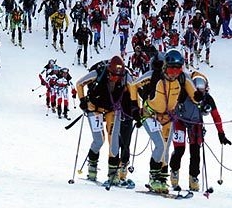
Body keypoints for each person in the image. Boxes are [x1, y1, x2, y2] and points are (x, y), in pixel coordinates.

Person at [131, 49, 202, 193]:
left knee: (166, 147)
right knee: (159, 145)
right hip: (150, 115)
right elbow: (133, 86)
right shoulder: (154, 75)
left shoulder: (182, 78)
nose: (174, 73)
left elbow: (194, 94)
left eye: (178, 69)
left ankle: (162, 179)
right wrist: (134, 108)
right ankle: (153, 178)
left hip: (168, 118)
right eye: (171, 69)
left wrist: (199, 98)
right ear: (165, 66)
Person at [75, 56, 136, 186]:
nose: (115, 78)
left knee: (113, 141)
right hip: (94, 107)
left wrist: (137, 109)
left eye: (118, 76)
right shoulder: (99, 72)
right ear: (109, 71)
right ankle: (92, 170)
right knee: (99, 140)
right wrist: (82, 100)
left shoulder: (125, 76)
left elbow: (134, 90)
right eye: (113, 75)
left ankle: (113, 175)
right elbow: (79, 83)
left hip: (112, 109)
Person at [170, 71, 231, 191]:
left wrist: (221, 133)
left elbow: (216, 116)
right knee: (179, 149)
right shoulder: (184, 92)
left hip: (196, 123)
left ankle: (193, 177)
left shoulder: (207, 98)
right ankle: (174, 172)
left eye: (202, 90)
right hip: (180, 121)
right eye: (197, 90)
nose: (200, 93)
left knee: (195, 151)